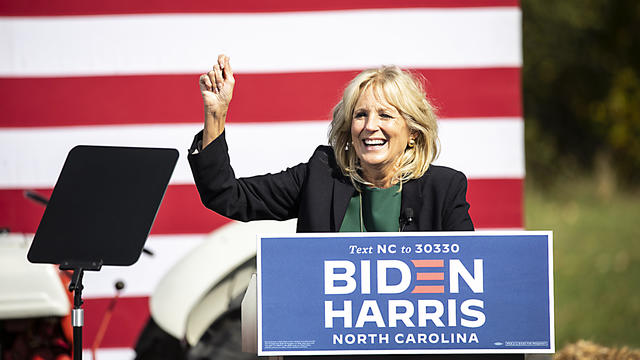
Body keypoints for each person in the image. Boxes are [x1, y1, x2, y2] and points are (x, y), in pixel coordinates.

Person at [188, 54, 473, 232]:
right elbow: (227, 196)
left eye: (385, 115)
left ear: (413, 132)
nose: (370, 126)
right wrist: (216, 113)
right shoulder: (321, 176)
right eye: (360, 115)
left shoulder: (444, 188)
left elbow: (469, 271)